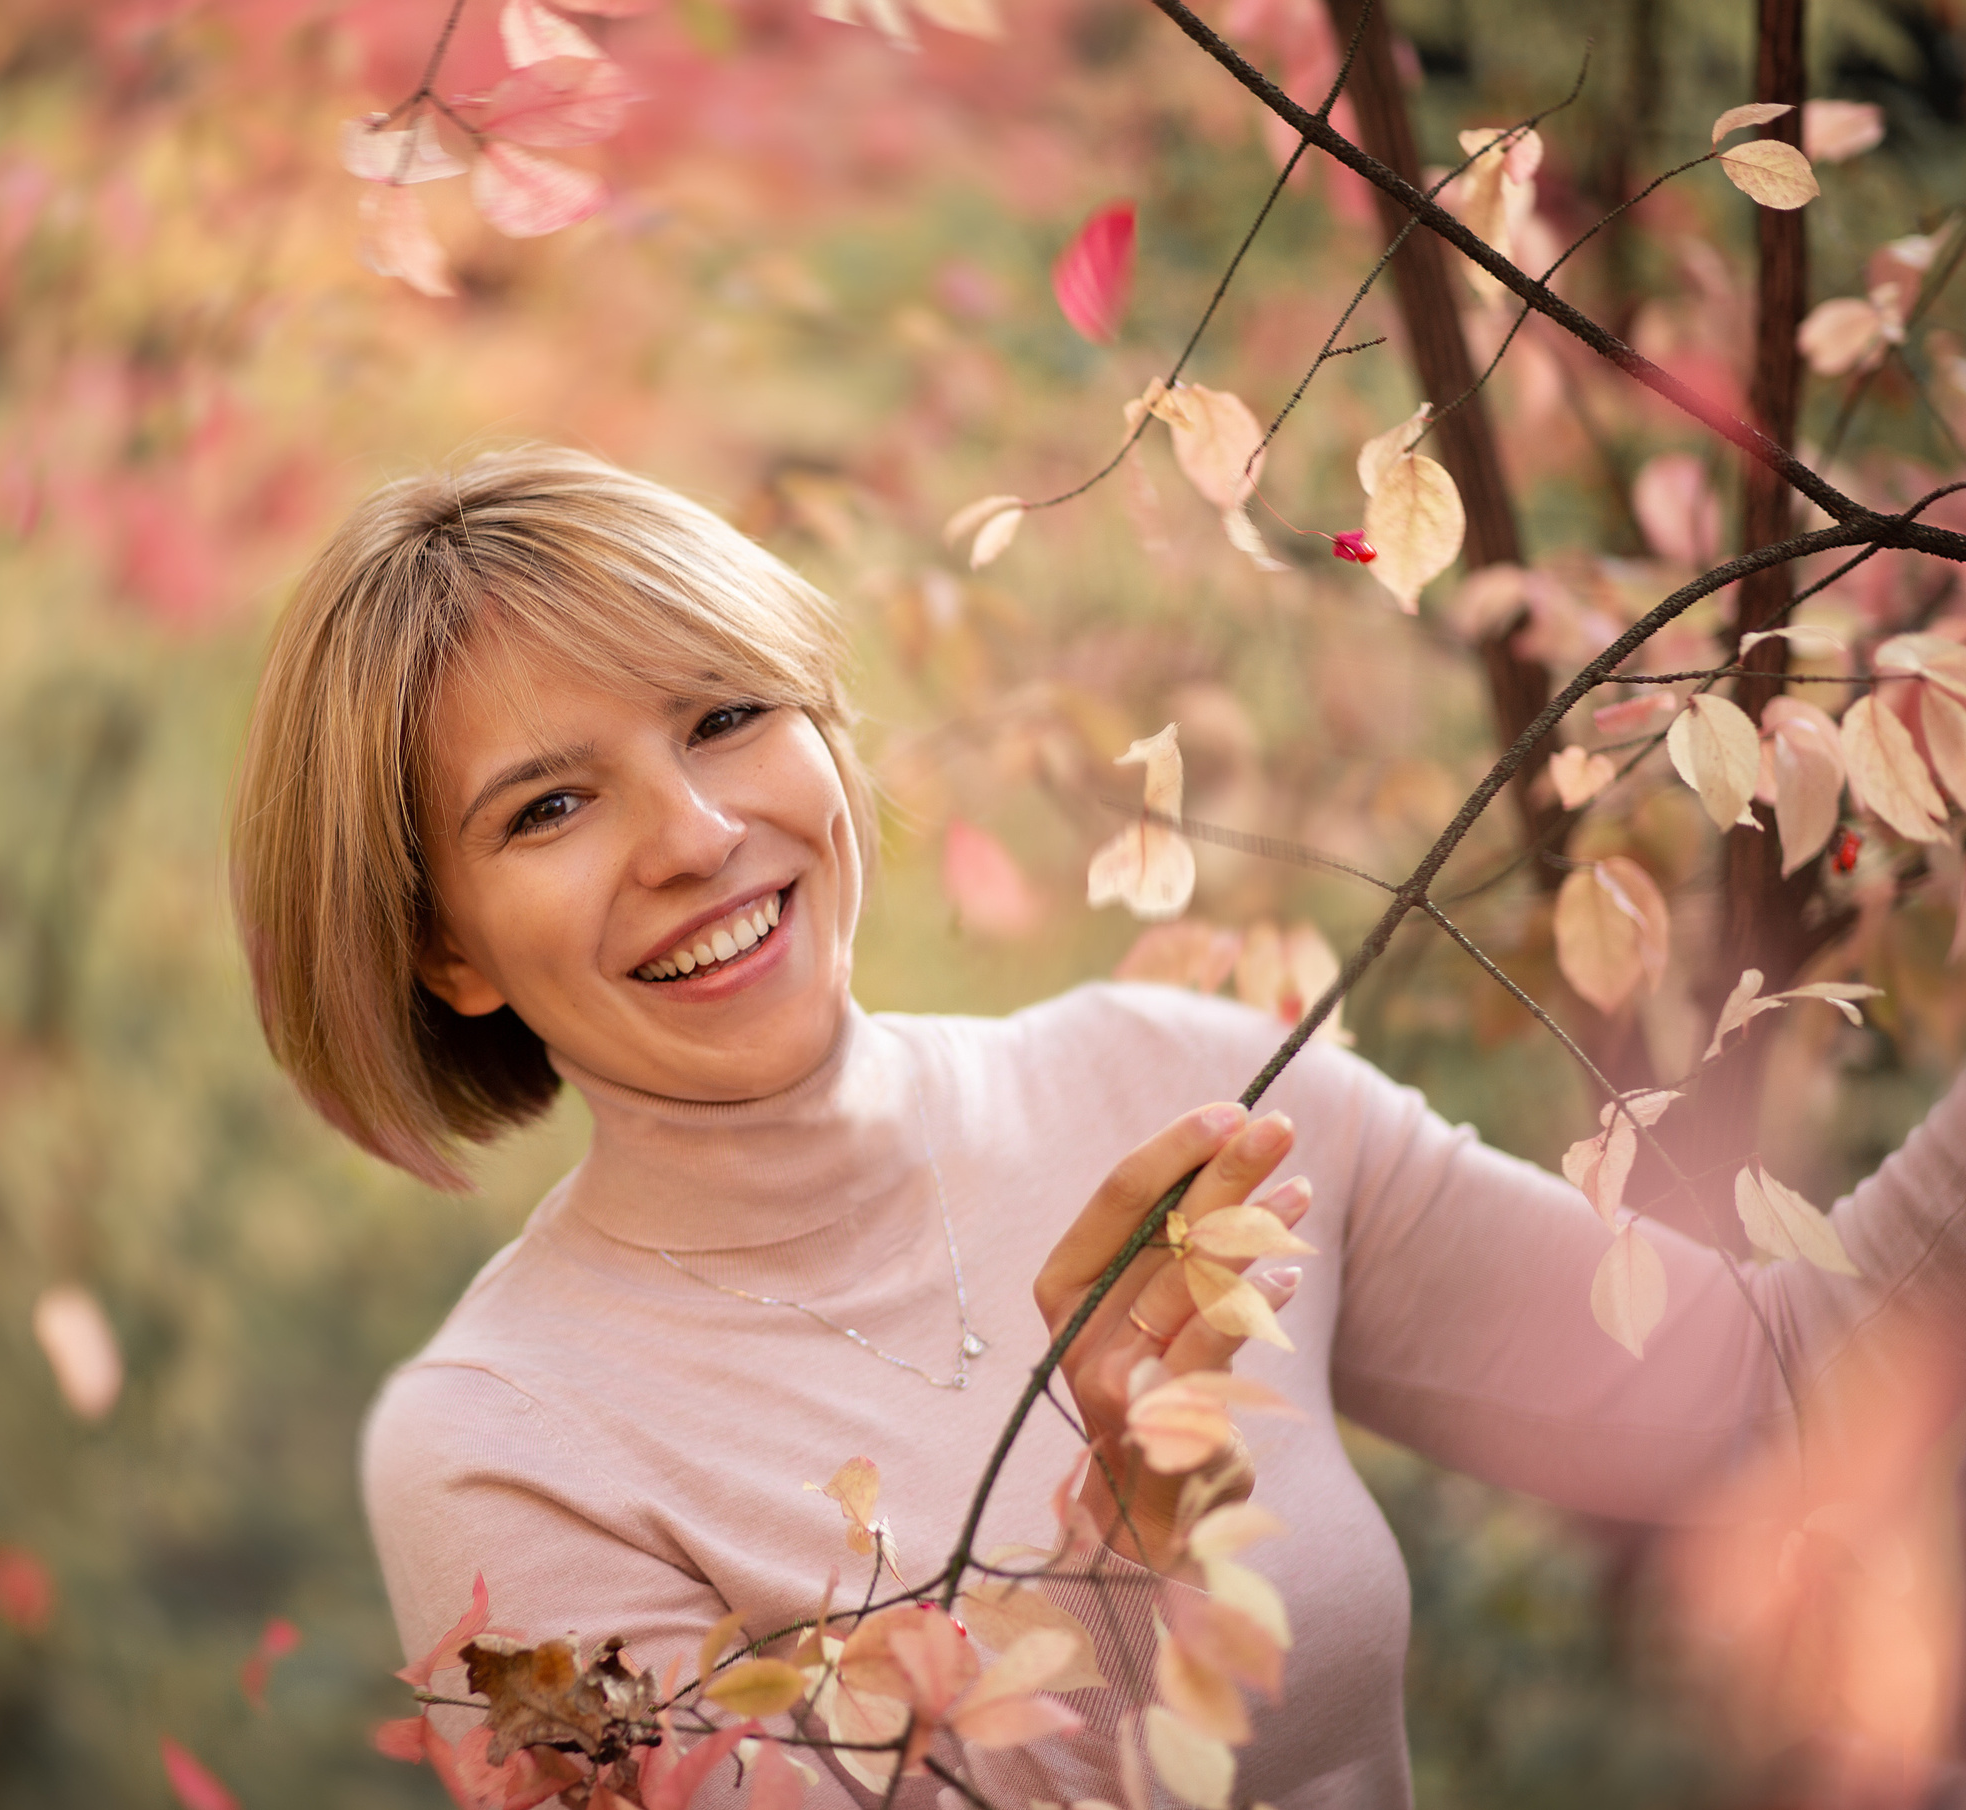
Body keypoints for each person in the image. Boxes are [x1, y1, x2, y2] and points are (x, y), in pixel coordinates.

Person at [228, 445, 1966, 1807]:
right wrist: (1121, 1563)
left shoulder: (1177, 1091)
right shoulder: (495, 1451)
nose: (693, 833)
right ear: (444, 944)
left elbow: (1774, 1390)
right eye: (548, 804)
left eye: (727, 716)